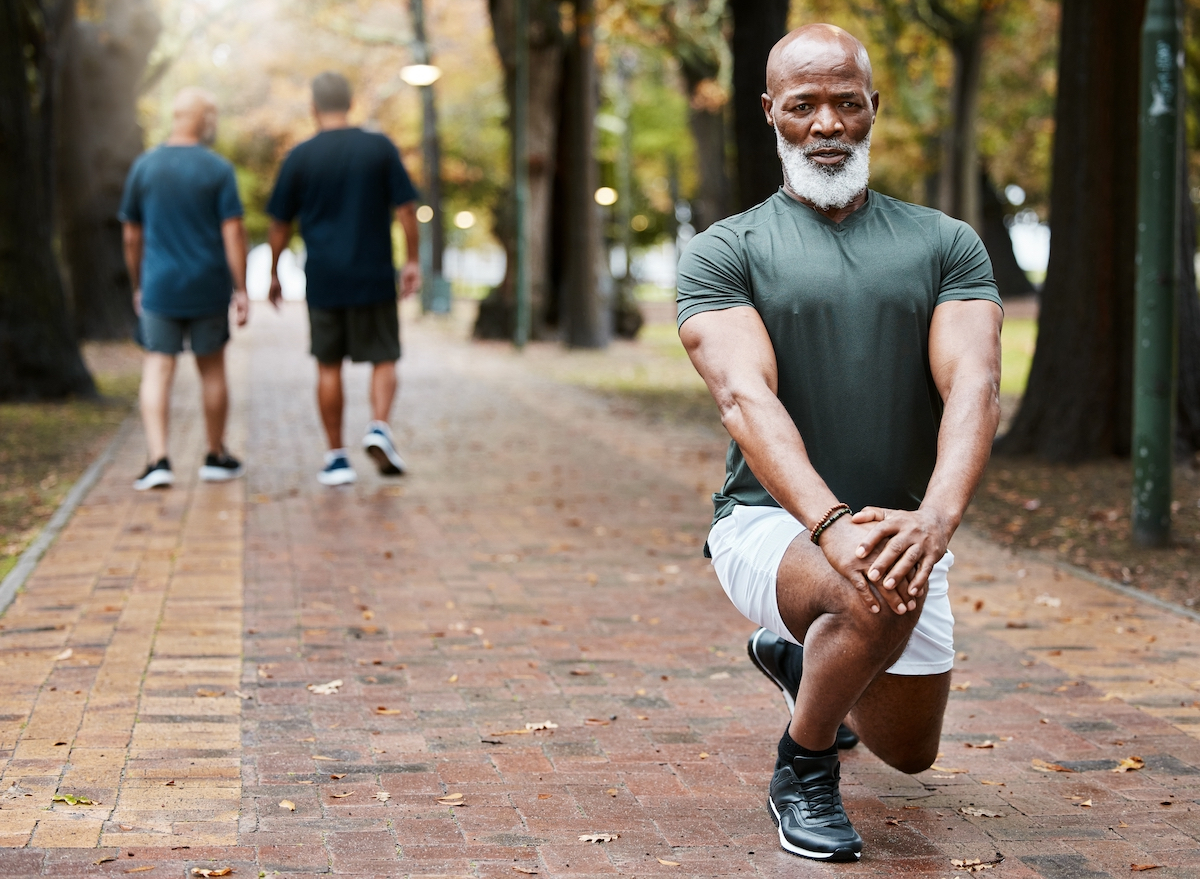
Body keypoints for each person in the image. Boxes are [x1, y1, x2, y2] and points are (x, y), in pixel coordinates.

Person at [676, 24, 1003, 862]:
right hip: (769, 521)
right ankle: (804, 764)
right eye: (803, 106)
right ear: (770, 113)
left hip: (906, 525)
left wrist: (935, 518)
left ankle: (800, 659)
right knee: (875, 588)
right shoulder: (726, 250)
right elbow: (745, 398)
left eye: (845, 104)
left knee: (911, 751)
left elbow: (974, 384)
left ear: (872, 110)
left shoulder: (945, 243)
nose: (826, 124)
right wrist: (829, 523)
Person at [265, 71, 421, 486]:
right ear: (350, 103)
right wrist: (412, 261)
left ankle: (336, 457)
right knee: (384, 356)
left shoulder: (300, 157)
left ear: (313, 107)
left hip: (324, 278)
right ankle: (379, 427)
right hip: (373, 273)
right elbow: (406, 209)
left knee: (328, 365)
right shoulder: (379, 147)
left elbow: (279, 223)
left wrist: (274, 273)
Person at [120, 87, 249, 491]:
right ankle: (215, 455)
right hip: (208, 285)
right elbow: (233, 234)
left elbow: (131, 235)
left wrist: (137, 282)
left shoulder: (145, 167)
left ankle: (158, 460)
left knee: (158, 368)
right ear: (203, 118)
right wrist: (241, 288)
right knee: (211, 368)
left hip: (160, 286)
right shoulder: (217, 170)